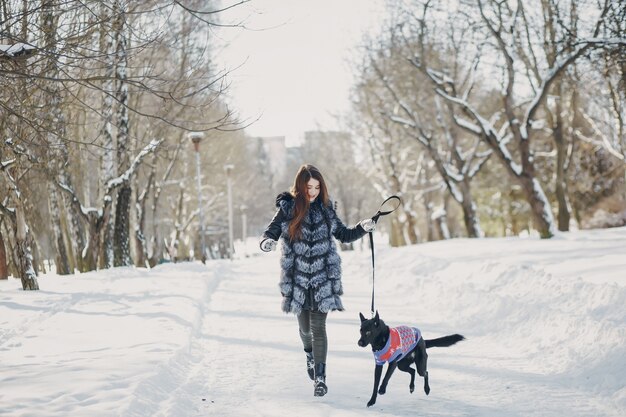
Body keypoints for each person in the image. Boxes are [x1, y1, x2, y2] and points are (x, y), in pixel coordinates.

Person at [260, 164, 376, 397]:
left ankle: (321, 378)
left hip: (323, 278)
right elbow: (271, 231)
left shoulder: (326, 210)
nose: (312, 191)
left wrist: (364, 227)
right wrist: (268, 242)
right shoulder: (288, 208)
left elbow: (344, 234)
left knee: (318, 327)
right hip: (297, 279)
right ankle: (309, 354)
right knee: (305, 330)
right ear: (300, 186)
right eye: (308, 186)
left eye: (316, 187)